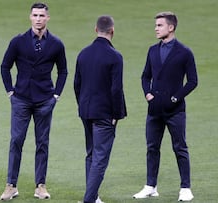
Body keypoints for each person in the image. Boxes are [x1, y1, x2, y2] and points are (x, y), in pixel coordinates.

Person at [0, 2, 68, 201]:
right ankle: (11, 186)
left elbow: (63, 70)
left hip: (45, 100)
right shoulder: (18, 41)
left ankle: (40, 186)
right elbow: (5, 66)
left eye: (42, 15)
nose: (38, 19)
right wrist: (10, 92)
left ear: (48, 18)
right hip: (20, 99)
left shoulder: (56, 43)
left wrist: (56, 95)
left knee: (42, 144)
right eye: (35, 15)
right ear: (30, 17)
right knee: (16, 142)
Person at [133, 12, 198, 202]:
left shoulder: (184, 52)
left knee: (180, 148)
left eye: (160, 25)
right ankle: (150, 186)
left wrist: (175, 99)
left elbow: (193, 81)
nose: (156, 28)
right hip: (154, 110)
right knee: (152, 148)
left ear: (171, 28)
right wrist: (147, 94)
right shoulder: (152, 50)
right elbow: (145, 76)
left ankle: (185, 188)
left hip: (175, 111)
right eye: (156, 25)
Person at [74, 15, 127, 203]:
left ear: (95, 30)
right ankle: (89, 200)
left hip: (86, 112)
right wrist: (117, 114)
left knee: (91, 154)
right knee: (100, 158)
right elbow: (116, 89)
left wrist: (82, 106)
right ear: (112, 31)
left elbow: (76, 85)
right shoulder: (115, 57)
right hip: (105, 114)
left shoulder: (83, 54)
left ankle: (93, 197)